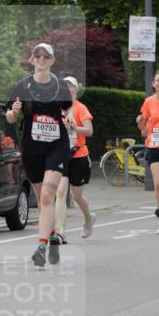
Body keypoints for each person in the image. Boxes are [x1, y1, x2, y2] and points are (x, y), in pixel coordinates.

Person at [6, 42, 75, 268]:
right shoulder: (22, 86)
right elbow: (10, 117)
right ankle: (53, 237)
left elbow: (70, 106)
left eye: (47, 56)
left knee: (46, 197)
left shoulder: (60, 86)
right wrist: (14, 112)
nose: (42, 59)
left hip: (57, 146)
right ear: (33, 59)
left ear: (52, 60)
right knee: (42, 199)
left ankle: (42, 246)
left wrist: (71, 116)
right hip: (32, 148)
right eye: (38, 56)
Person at [54, 76, 95, 241]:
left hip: (79, 155)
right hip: (61, 155)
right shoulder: (57, 108)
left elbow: (89, 131)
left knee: (77, 196)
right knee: (61, 192)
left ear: (75, 90)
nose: (67, 89)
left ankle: (88, 217)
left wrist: (74, 128)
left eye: (70, 87)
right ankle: (61, 231)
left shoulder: (81, 108)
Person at [136, 69, 159, 230]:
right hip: (153, 145)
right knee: (158, 184)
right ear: (153, 84)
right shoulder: (149, 102)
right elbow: (144, 131)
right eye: (158, 80)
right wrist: (140, 122)